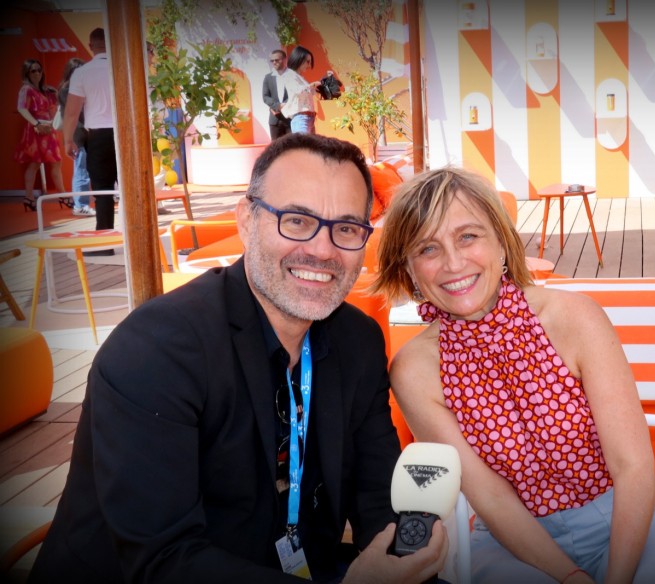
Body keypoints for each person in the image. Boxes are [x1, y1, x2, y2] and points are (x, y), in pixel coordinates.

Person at [28, 133, 448, 584]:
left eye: (345, 228)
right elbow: (164, 561)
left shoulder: (357, 340)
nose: (323, 250)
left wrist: (403, 552)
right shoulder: (156, 350)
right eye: (296, 220)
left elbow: (378, 492)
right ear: (247, 221)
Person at [371, 167, 655, 584]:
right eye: (427, 248)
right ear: (408, 268)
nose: (453, 263)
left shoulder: (575, 318)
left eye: (468, 236)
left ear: (501, 242)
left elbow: (632, 465)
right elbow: (491, 497)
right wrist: (569, 576)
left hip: (630, 517)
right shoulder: (415, 369)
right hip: (513, 540)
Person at [63, 28, 117, 238]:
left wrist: (68, 141)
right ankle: (138, 241)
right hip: (126, 134)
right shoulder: (122, 67)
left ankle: (104, 241)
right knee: (132, 189)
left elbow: (71, 113)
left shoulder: (82, 72)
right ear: (111, 43)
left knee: (103, 191)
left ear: (90, 45)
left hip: (98, 137)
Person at [14, 58, 65, 212]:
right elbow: (21, 108)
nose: (37, 73)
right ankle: (29, 197)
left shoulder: (46, 89)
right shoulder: (26, 89)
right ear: (27, 73)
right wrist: (36, 124)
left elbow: (57, 106)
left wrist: (56, 94)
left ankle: (62, 195)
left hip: (48, 129)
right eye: (33, 71)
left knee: (55, 162)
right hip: (36, 130)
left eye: (39, 70)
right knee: (35, 163)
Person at [58, 57, 94, 217]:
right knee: (81, 171)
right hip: (78, 135)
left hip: (82, 134)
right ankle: (80, 205)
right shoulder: (67, 91)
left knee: (84, 170)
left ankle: (82, 204)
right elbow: (74, 114)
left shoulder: (71, 89)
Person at [280, 46, 322, 135]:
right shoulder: (289, 75)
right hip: (301, 118)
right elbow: (298, 90)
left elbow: (307, 92)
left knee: (308, 143)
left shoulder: (299, 77)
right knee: (303, 143)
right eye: (308, 62)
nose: (309, 65)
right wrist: (312, 85)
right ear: (299, 59)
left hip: (308, 118)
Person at [262, 49, 292, 140]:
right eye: (272, 61)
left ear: (285, 59)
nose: (274, 62)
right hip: (275, 119)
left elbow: (296, 93)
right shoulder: (268, 77)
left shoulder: (293, 76)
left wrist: (285, 105)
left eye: (277, 60)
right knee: (275, 147)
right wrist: (277, 106)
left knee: (292, 146)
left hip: (290, 119)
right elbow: (265, 96)